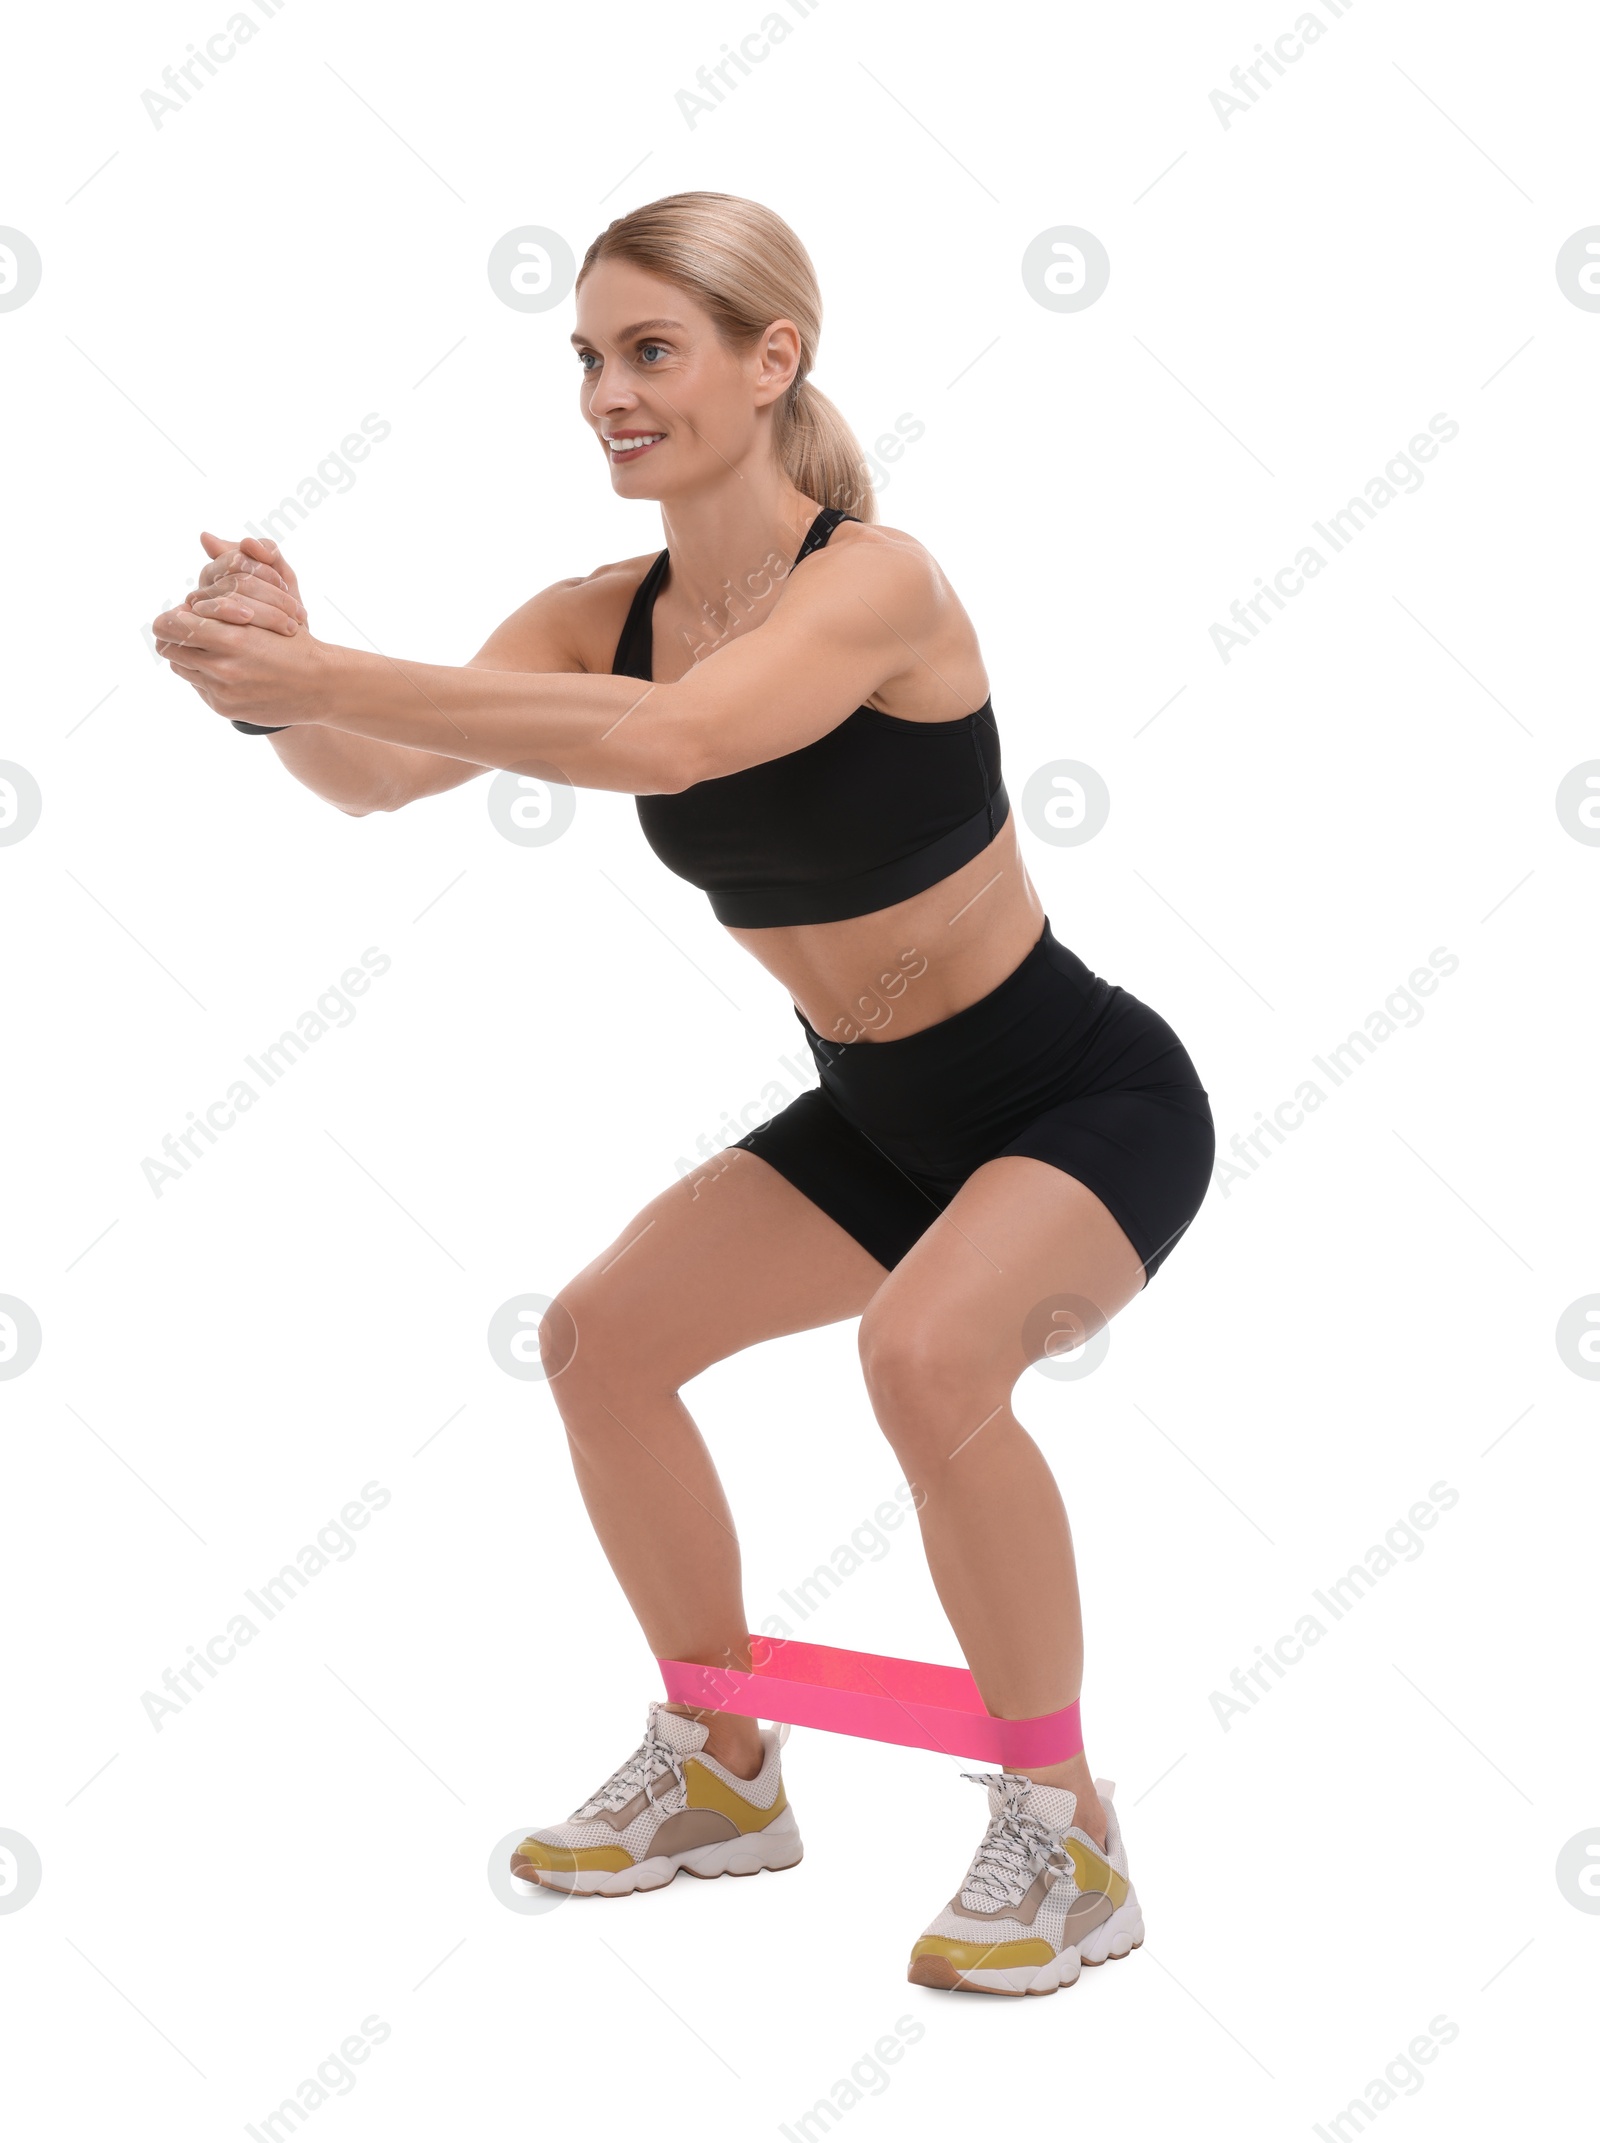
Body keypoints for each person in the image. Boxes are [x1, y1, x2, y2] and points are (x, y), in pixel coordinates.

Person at [152, 190, 1215, 1998]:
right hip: (879, 1115)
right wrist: (271, 684)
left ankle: (1070, 1834)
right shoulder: (591, 615)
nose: (605, 393)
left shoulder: (876, 580)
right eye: (586, 356)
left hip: (1076, 1097)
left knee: (928, 1359)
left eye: (651, 351)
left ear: (770, 358)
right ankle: (725, 1764)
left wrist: (327, 672)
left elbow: (683, 739)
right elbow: (371, 773)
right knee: (599, 1342)